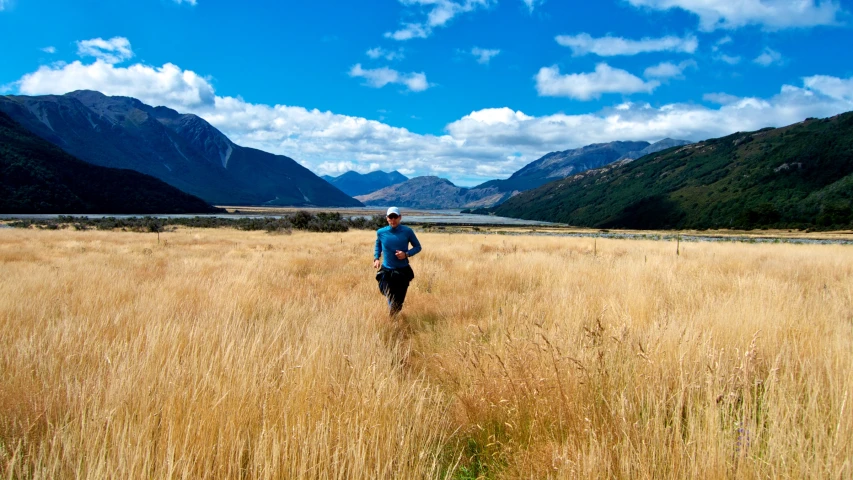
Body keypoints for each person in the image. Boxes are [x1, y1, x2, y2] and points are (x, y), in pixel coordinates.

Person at [374, 206, 422, 316]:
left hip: (402, 271)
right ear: (387, 218)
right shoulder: (381, 232)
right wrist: (376, 258)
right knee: (389, 295)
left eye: (395, 216)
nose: (393, 219)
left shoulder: (407, 231)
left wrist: (406, 254)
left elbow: (418, 247)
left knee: (399, 302)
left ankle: (393, 317)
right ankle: (392, 318)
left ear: (400, 217)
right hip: (387, 271)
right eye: (390, 217)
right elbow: (378, 245)